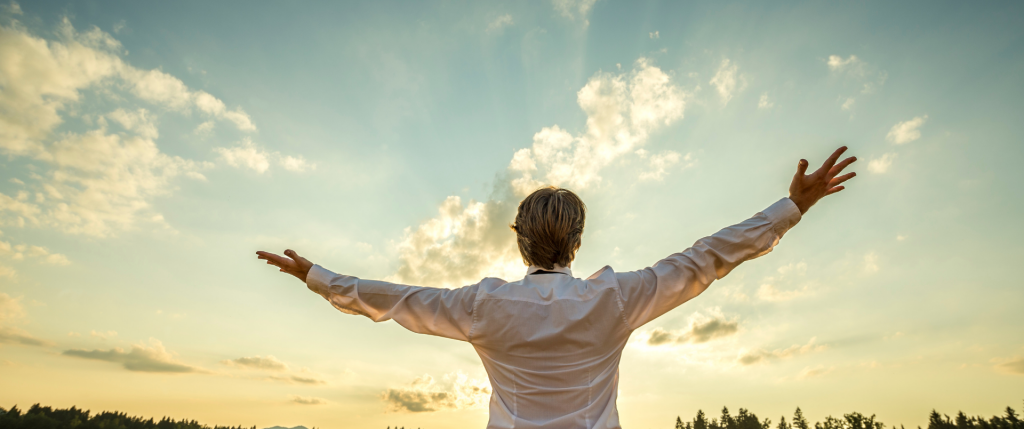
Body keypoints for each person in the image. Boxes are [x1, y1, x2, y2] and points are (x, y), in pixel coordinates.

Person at [257, 146, 856, 429]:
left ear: (520, 240)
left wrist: (317, 277)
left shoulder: (481, 307)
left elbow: (393, 299)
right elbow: (707, 260)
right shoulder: (615, 298)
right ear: (578, 241)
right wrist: (789, 209)